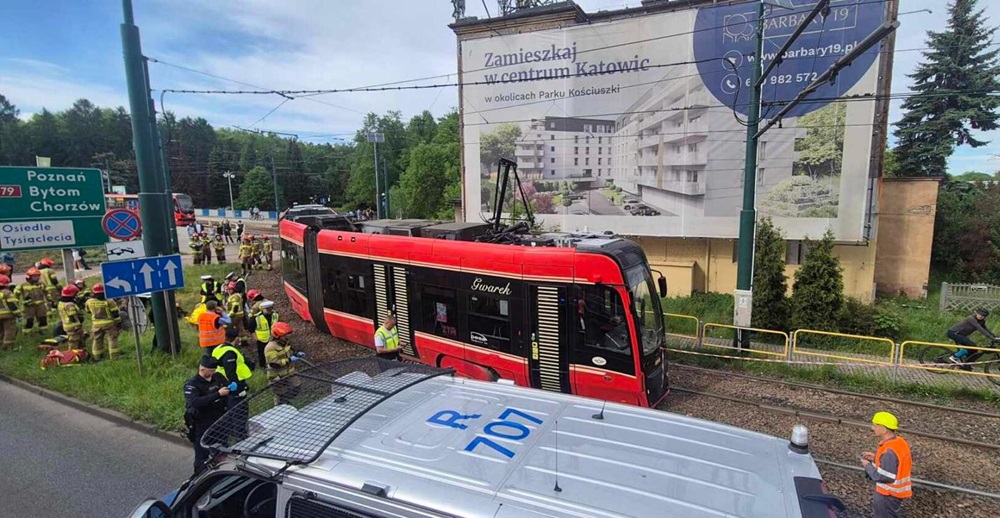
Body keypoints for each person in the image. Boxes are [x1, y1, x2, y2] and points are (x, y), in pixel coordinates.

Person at [183, 355, 230, 474]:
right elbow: (195, 402)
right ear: (202, 369)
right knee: (202, 455)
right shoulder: (192, 384)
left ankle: (222, 474)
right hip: (202, 423)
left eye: (214, 370)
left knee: (223, 451)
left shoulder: (218, 377)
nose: (214, 372)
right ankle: (199, 478)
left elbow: (227, 387)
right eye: (211, 371)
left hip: (220, 420)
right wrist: (217, 394)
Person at [861, 411, 912, 518]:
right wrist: (875, 458)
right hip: (894, 495)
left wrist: (867, 465)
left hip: (887, 494)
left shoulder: (888, 451)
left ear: (883, 429)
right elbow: (895, 463)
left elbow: (884, 476)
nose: (873, 428)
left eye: (875, 425)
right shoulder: (899, 442)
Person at [264, 322, 304, 405]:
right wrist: (289, 360)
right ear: (277, 336)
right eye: (284, 335)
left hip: (289, 373)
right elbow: (274, 364)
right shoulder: (270, 347)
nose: (286, 337)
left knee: (297, 386)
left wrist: (296, 354)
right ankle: (281, 406)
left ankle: (286, 402)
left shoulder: (285, 342)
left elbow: (288, 351)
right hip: (277, 376)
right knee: (281, 394)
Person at [85, 283, 121, 361]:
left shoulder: (89, 301)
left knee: (97, 340)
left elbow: (88, 311)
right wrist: (118, 323)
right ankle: (114, 357)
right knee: (112, 339)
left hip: (96, 324)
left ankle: (97, 357)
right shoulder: (109, 301)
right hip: (109, 323)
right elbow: (115, 313)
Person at [15, 267, 48, 335]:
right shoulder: (23, 285)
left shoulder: (41, 284)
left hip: (40, 305)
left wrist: (51, 300)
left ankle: (43, 332)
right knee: (29, 321)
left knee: (43, 319)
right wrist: (16, 303)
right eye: (34, 276)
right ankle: (26, 334)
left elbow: (46, 292)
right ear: (30, 276)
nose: (37, 277)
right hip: (29, 307)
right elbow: (16, 294)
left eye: (38, 276)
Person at [251, 300, 278, 366]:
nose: (269, 311)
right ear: (262, 309)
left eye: (270, 309)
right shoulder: (256, 317)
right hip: (261, 339)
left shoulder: (275, 315)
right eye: (267, 309)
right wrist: (255, 338)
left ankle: (272, 363)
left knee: (273, 352)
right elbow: (251, 329)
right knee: (262, 353)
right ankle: (263, 365)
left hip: (273, 337)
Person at [57, 285, 84, 350]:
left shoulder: (61, 302)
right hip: (73, 326)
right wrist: (77, 326)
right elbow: (72, 316)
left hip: (66, 325)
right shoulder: (69, 304)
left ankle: (80, 353)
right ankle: (72, 355)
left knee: (78, 339)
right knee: (74, 341)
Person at [0, 275, 20, 350]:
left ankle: (1, 344)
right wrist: (18, 315)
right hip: (8, 316)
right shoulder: (7, 293)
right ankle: (7, 346)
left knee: (1, 331)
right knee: (10, 330)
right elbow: (12, 305)